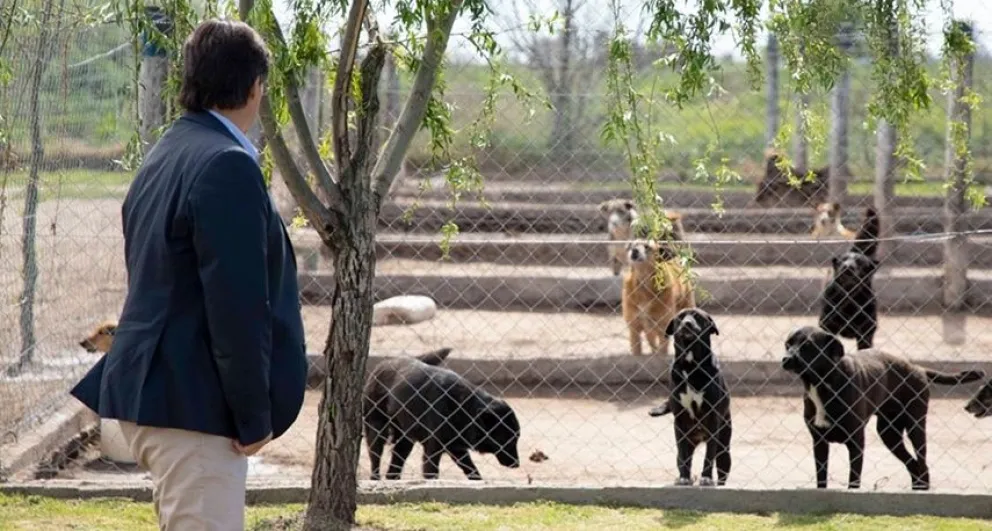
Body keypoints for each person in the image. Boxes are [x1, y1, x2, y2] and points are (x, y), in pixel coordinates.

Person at [70, 19, 308, 530]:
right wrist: (253, 414)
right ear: (253, 88)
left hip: (159, 391)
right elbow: (236, 306)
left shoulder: (167, 152)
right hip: (194, 407)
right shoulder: (227, 165)